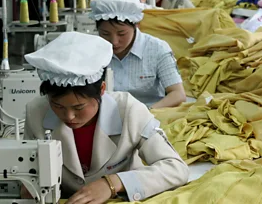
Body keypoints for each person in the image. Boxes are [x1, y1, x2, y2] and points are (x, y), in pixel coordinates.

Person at [23, 32, 189, 203]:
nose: (69, 116)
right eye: (57, 106)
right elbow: (27, 171)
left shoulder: (130, 111)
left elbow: (176, 168)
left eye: (78, 107)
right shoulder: (36, 112)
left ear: (102, 89)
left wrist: (113, 183)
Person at [90, 0, 187, 108]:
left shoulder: (157, 49)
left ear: (137, 25)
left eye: (121, 34)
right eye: (105, 34)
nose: (114, 42)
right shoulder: (92, 50)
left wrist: (146, 113)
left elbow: (178, 93)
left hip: (151, 115)